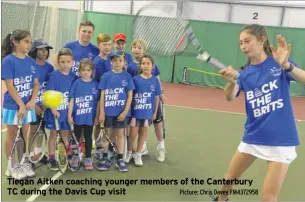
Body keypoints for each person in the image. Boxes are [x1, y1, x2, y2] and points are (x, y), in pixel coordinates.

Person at [209, 24, 305, 201]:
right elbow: (229, 97)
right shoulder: (244, 73)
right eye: (240, 43)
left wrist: (287, 65)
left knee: (268, 198)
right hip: (253, 136)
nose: (243, 46)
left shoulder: (278, 63)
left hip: (281, 140)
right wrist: (231, 82)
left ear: (261, 41)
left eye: (247, 41)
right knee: (228, 180)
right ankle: (221, 200)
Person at [2, 29, 39, 179]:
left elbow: (35, 84)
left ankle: (23, 163)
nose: (29, 45)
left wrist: (32, 100)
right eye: (26, 41)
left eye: (30, 42)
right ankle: (11, 166)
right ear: (15, 42)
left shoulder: (31, 61)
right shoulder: (8, 61)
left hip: (27, 106)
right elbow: (10, 86)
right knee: (12, 136)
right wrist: (21, 105)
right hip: (13, 107)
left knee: (24, 135)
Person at [128, 39, 166, 162]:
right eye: (134, 47)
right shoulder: (130, 65)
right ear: (131, 49)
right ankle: (140, 148)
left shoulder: (150, 62)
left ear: (144, 50)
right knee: (136, 128)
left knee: (157, 124)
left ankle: (161, 147)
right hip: (137, 104)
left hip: (151, 101)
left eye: (139, 48)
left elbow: (157, 81)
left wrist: (161, 94)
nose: (137, 50)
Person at [98, 52, 134, 172]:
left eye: (120, 61)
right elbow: (102, 95)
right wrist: (102, 112)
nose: (117, 63)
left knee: (120, 135)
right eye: (115, 60)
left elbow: (130, 96)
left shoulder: (127, 76)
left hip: (121, 113)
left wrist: (125, 112)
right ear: (111, 62)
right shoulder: (106, 76)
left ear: (124, 63)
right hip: (108, 112)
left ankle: (120, 158)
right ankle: (104, 157)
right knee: (106, 135)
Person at [44, 48, 78, 170]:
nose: (65, 64)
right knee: (53, 135)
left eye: (68, 61)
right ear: (58, 62)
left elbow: (72, 98)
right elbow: (49, 93)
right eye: (62, 62)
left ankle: (64, 156)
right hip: (55, 112)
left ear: (72, 62)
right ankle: (52, 158)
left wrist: (70, 114)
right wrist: (53, 110)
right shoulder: (54, 75)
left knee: (65, 134)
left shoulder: (74, 77)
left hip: (66, 113)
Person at [68, 59, 100, 170]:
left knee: (88, 137)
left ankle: (88, 157)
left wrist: (96, 116)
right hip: (77, 117)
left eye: (88, 70)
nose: (85, 72)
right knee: (75, 137)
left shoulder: (95, 85)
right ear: (79, 71)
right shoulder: (76, 83)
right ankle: (75, 157)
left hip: (89, 118)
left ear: (92, 71)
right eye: (83, 70)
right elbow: (71, 100)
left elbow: (98, 103)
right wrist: (69, 115)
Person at [28, 39, 54, 164]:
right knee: (33, 130)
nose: (45, 52)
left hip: (44, 106)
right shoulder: (29, 65)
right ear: (34, 50)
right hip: (32, 105)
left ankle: (37, 154)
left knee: (41, 131)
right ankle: (30, 156)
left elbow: (50, 86)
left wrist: (45, 103)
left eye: (46, 50)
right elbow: (28, 88)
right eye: (41, 49)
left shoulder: (50, 68)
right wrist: (34, 104)